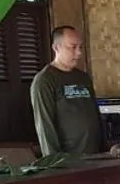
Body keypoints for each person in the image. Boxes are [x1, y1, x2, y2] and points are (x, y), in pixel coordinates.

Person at [31, 26, 102, 156]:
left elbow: (96, 116)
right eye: (73, 47)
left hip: (95, 156)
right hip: (68, 159)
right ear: (56, 48)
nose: (79, 53)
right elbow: (45, 125)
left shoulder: (83, 78)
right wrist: (56, 161)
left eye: (80, 47)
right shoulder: (44, 80)